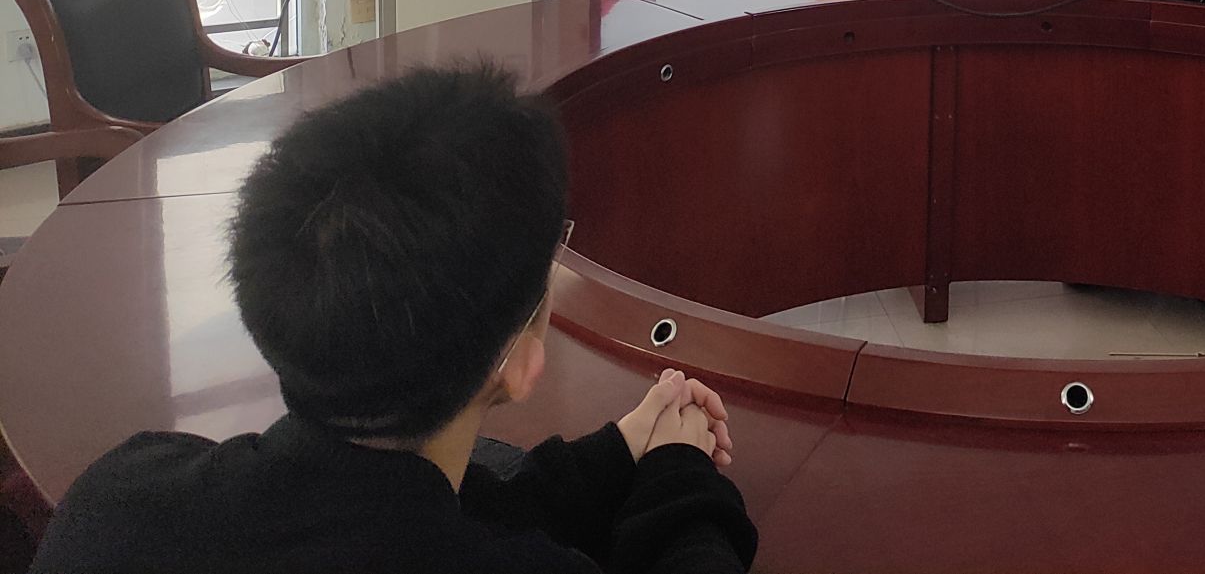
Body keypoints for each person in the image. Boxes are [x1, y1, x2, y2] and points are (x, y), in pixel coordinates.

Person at [30, 65, 758, 574]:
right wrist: (680, 477)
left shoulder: (117, 498)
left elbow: (384, 506)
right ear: (518, 366)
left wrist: (619, 454)